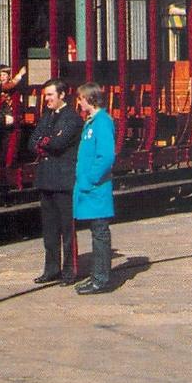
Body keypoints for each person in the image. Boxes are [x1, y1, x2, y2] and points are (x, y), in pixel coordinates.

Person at [29, 78, 82, 285]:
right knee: (49, 229)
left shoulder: (73, 118)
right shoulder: (47, 116)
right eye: (45, 95)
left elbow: (59, 143)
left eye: (50, 95)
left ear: (62, 95)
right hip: (46, 178)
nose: (47, 99)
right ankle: (51, 269)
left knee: (67, 229)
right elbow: (31, 142)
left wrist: (46, 142)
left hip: (64, 180)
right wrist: (46, 142)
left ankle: (70, 271)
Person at [72, 82, 116, 295]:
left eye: (80, 98)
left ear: (89, 99)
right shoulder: (91, 122)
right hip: (91, 189)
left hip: (96, 189)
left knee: (100, 234)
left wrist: (90, 179)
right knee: (96, 233)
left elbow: (106, 156)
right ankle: (97, 276)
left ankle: (100, 280)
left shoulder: (101, 122)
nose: (78, 102)